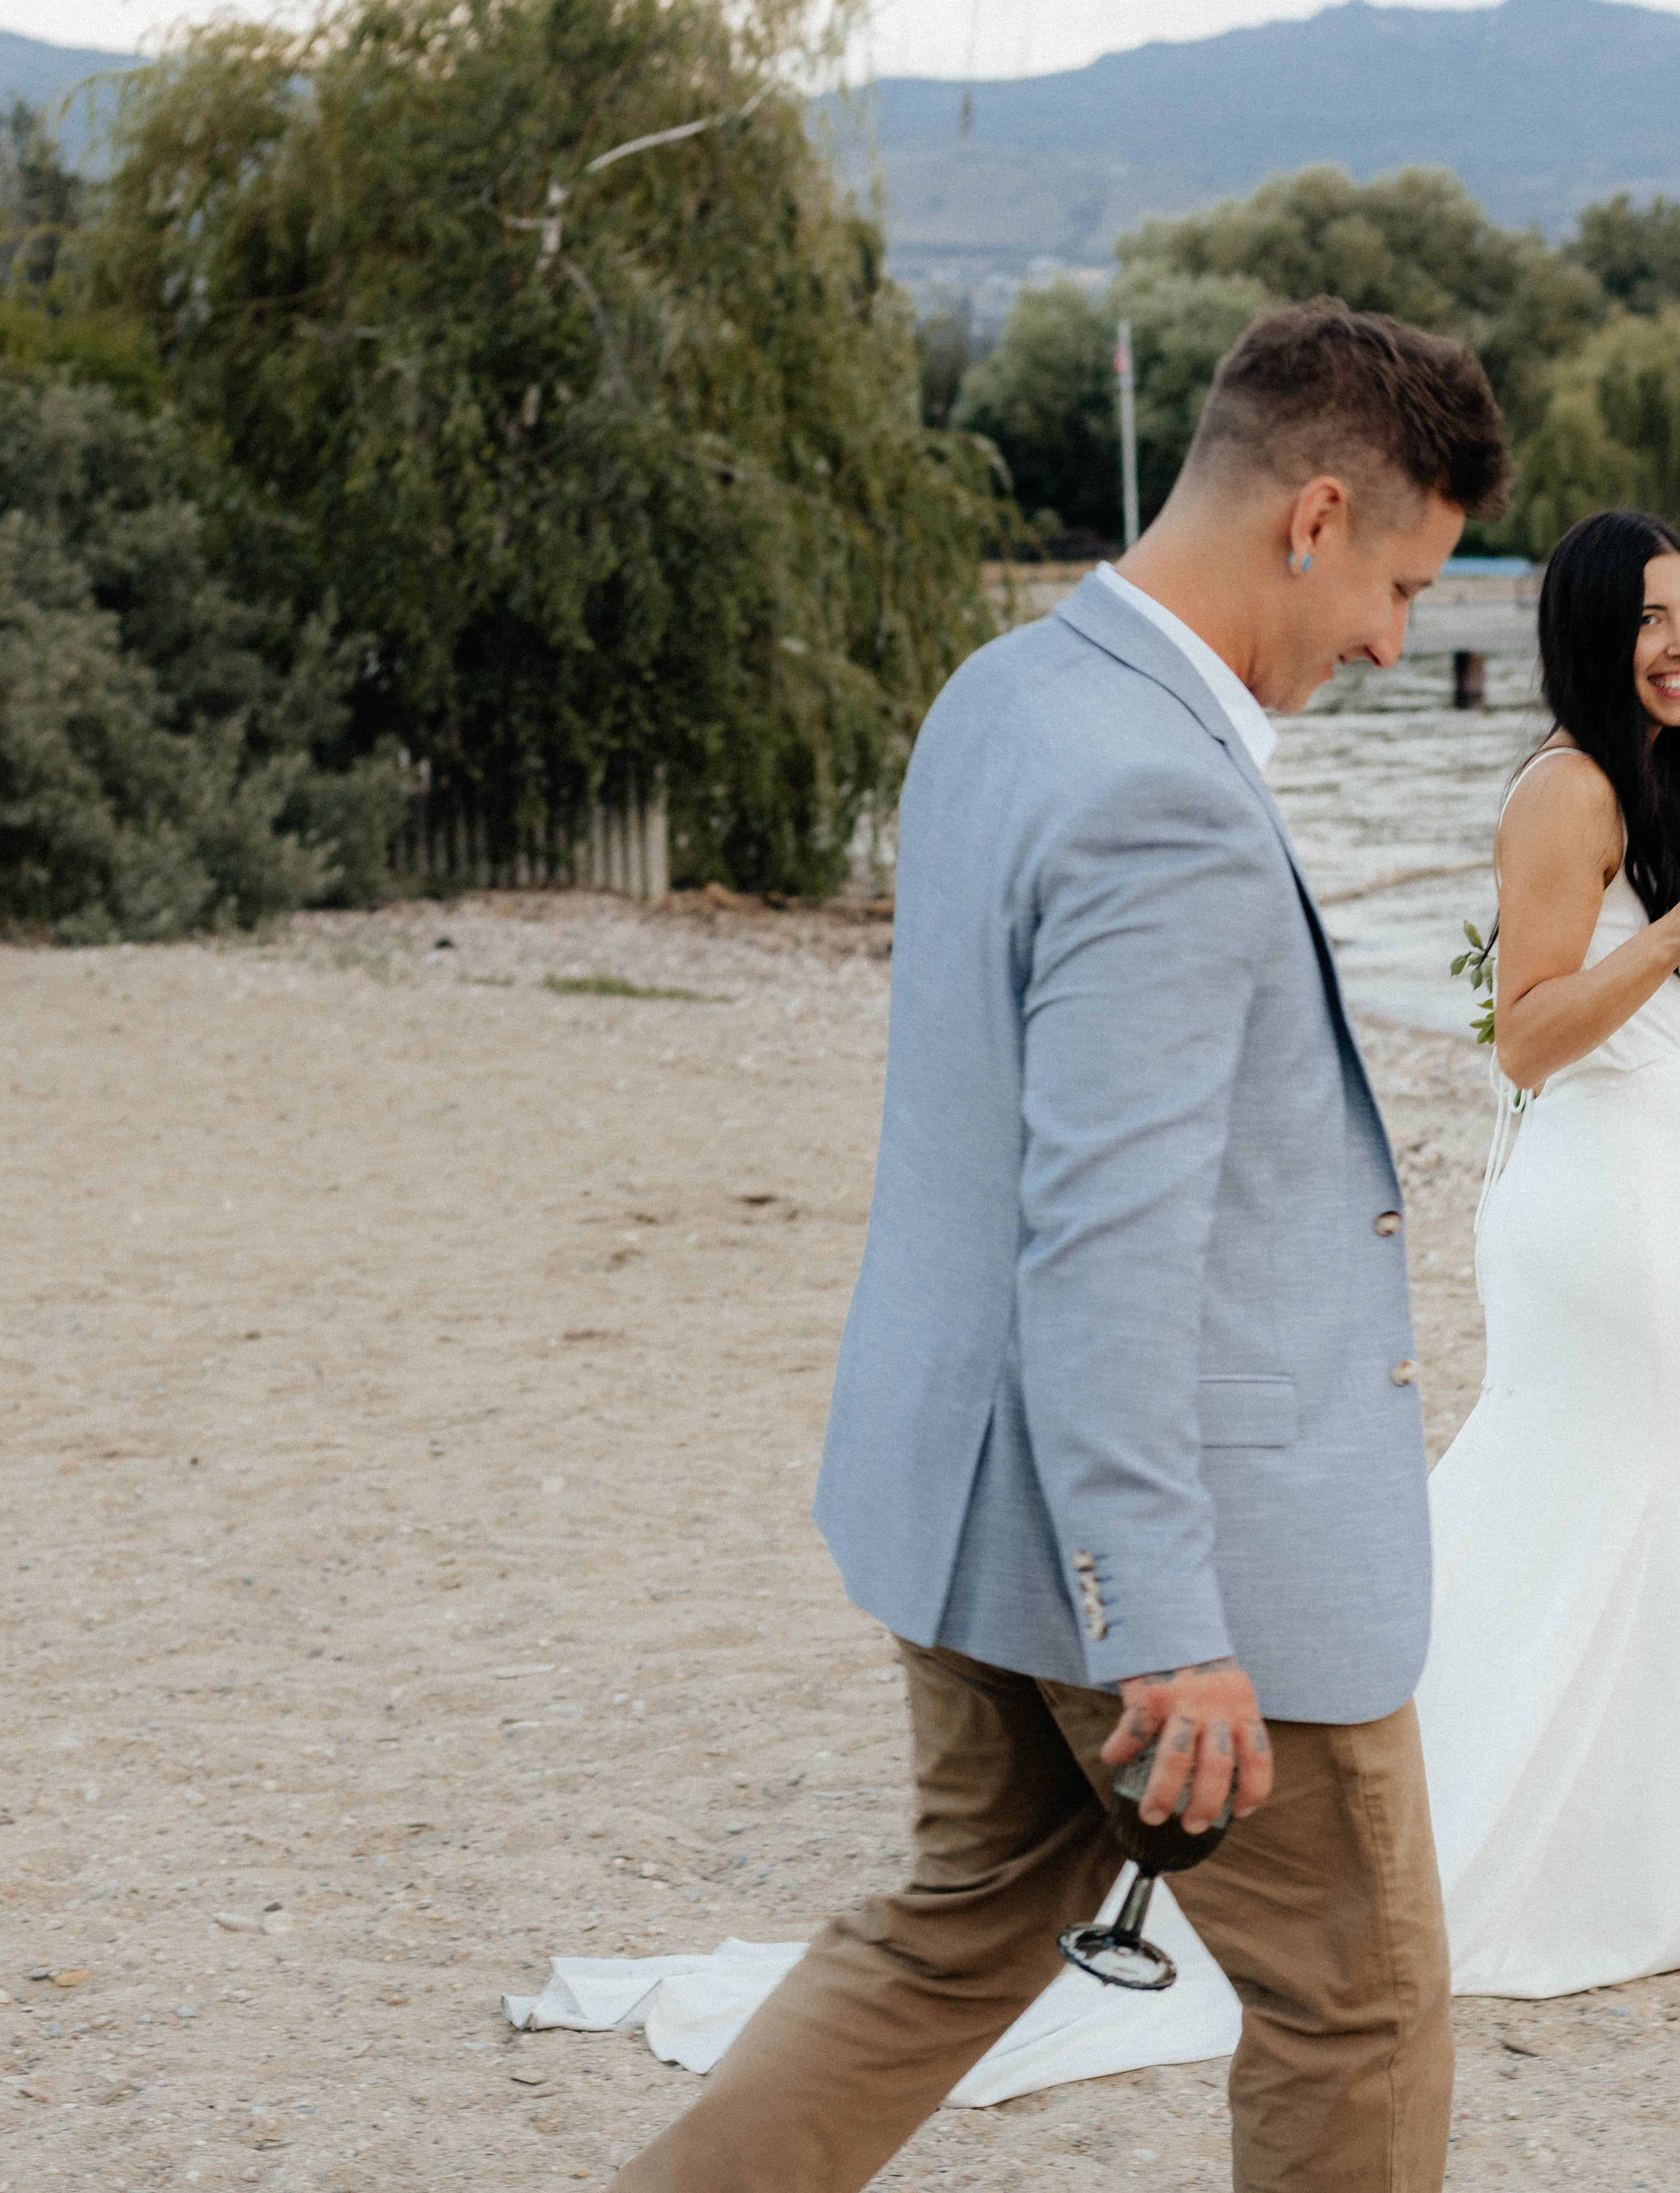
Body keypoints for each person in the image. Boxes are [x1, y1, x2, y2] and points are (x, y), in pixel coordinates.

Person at [599, 300, 1515, 2193]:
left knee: (958, 1927)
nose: (1385, 641)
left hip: (963, 1506)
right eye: (1401, 587)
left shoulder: (1007, 692)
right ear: (1313, 515)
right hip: (1166, 1557)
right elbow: (1109, 1237)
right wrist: (1167, 1625)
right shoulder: (1166, 797)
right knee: (1356, 1998)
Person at [1414, 507, 1680, 1996]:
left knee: (1596, 1513)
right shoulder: (1568, 790)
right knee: (1671, 1505)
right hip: (1588, 1221)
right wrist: (1676, 942)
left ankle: (1646, 1859)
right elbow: (1528, 1037)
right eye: (1651, 620)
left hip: (1645, 1194)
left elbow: (1640, 1025)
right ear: (1594, 638)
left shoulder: (1658, 781)